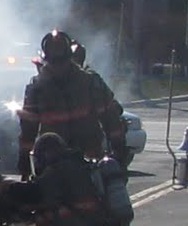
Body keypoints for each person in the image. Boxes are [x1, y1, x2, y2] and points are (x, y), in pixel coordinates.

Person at [16, 29, 127, 177]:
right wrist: (24, 157)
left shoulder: (90, 83)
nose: (59, 68)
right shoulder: (38, 89)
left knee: (108, 193)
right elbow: (28, 129)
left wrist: (119, 149)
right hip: (55, 166)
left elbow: (111, 118)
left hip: (87, 163)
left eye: (60, 62)